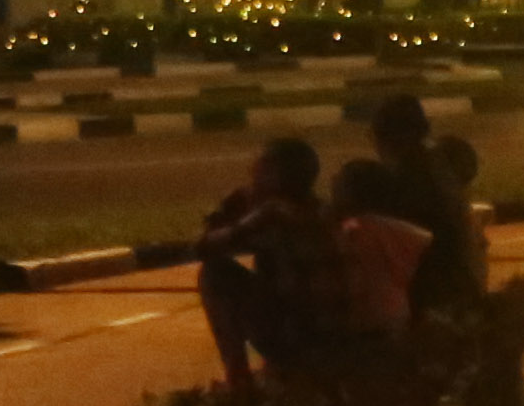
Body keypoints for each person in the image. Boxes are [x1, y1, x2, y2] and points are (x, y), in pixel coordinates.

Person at [195, 136, 346, 387]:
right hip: (334, 333)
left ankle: (238, 378)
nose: (253, 172)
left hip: (302, 336)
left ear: (274, 175)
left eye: (261, 165)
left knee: (215, 274)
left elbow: (205, 247)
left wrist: (236, 217)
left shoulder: (276, 215)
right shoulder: (323, 210)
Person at [340, 91, 483, 314]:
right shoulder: (434, 168)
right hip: (454, 289)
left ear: (388, 137)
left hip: (435, 299)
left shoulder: (410, 180)